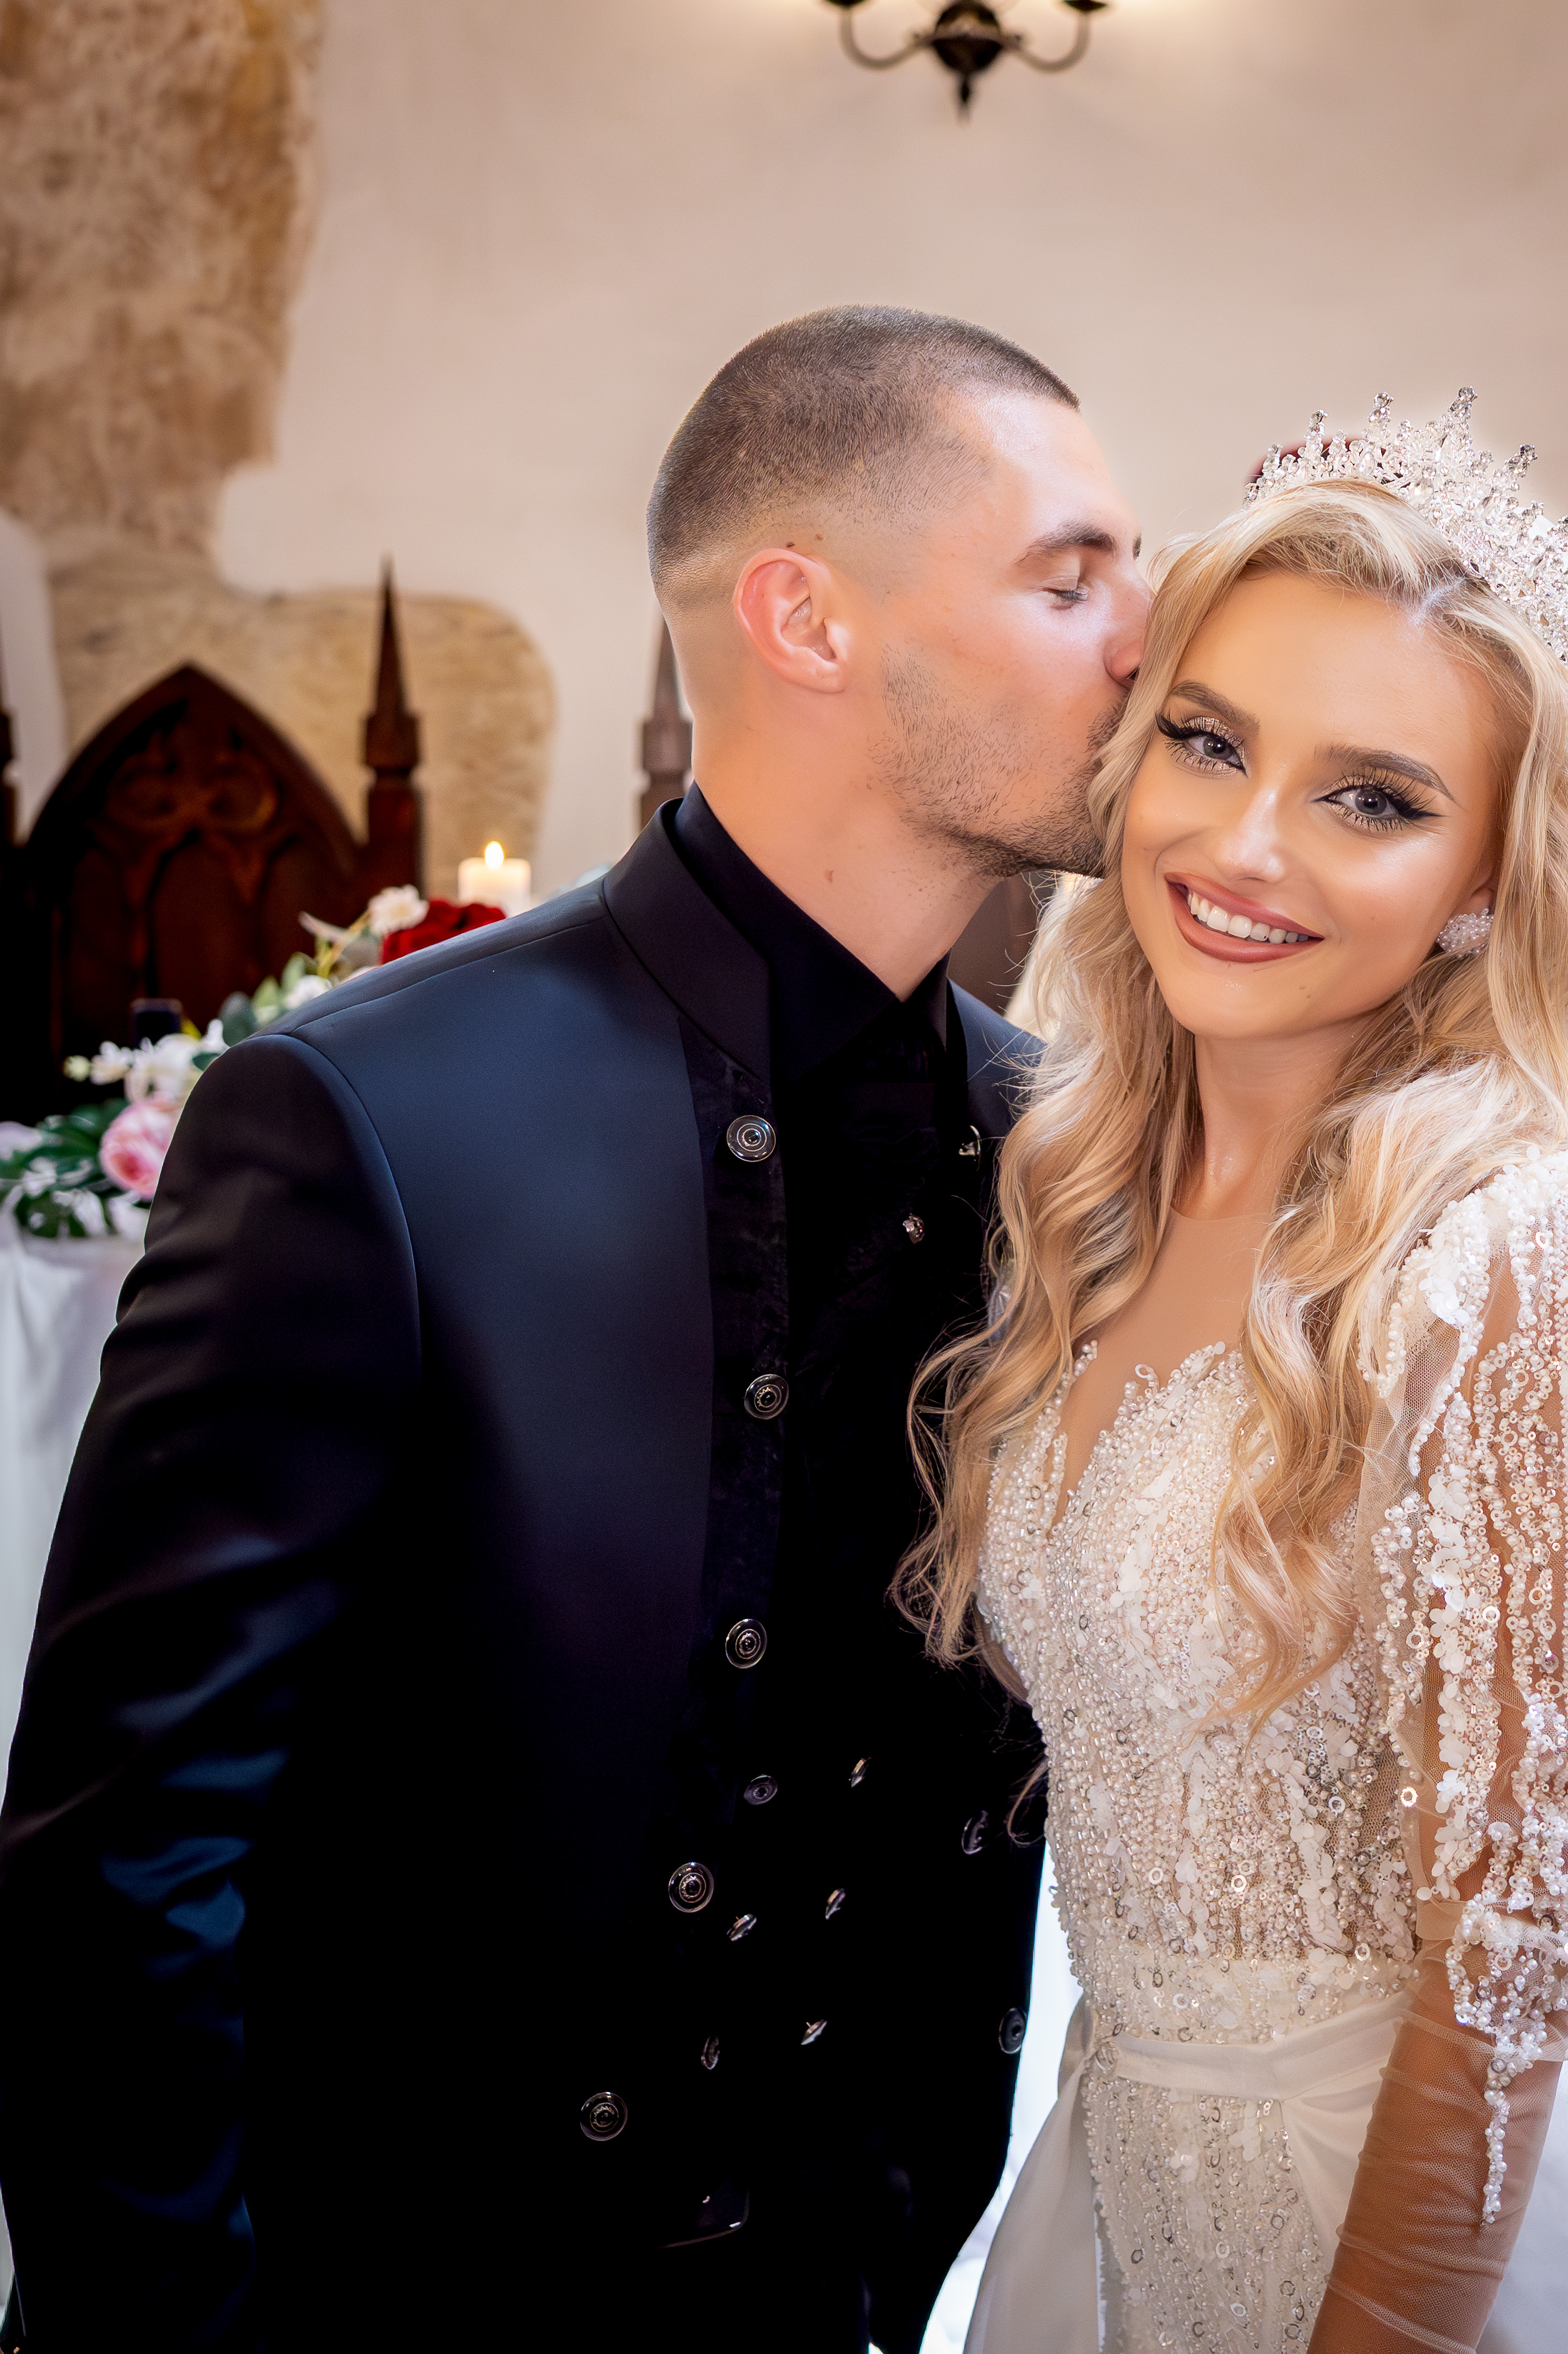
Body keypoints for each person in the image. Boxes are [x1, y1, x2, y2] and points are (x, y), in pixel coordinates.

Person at [0, 307, 1147, 2351]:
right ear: (804, 617)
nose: (1143, 642)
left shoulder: (1067, 1146)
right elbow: (123, 1860)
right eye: (1070, 580)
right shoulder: (365, 1117)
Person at [904, 398, 1568, 2351]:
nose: (1243, 844)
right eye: (1207, 740)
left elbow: (1503, 1960)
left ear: (1486, 876)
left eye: (1369, 797)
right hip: (1106, 2191)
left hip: (1410, 2241)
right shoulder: (1083, 1200)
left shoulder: (1526, 1262)